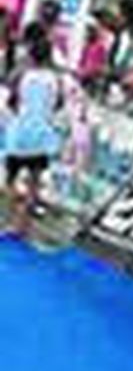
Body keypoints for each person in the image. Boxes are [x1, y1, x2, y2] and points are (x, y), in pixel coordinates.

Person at [4, 24, 68, 241]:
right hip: (42, 135)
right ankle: (22, 226)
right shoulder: (55, 79)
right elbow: (58, 104)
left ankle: (10, 222)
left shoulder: (22, 76)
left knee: (11, 179)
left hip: (20, 133)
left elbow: (12, 101)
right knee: (34, 182)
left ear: (31, 55)